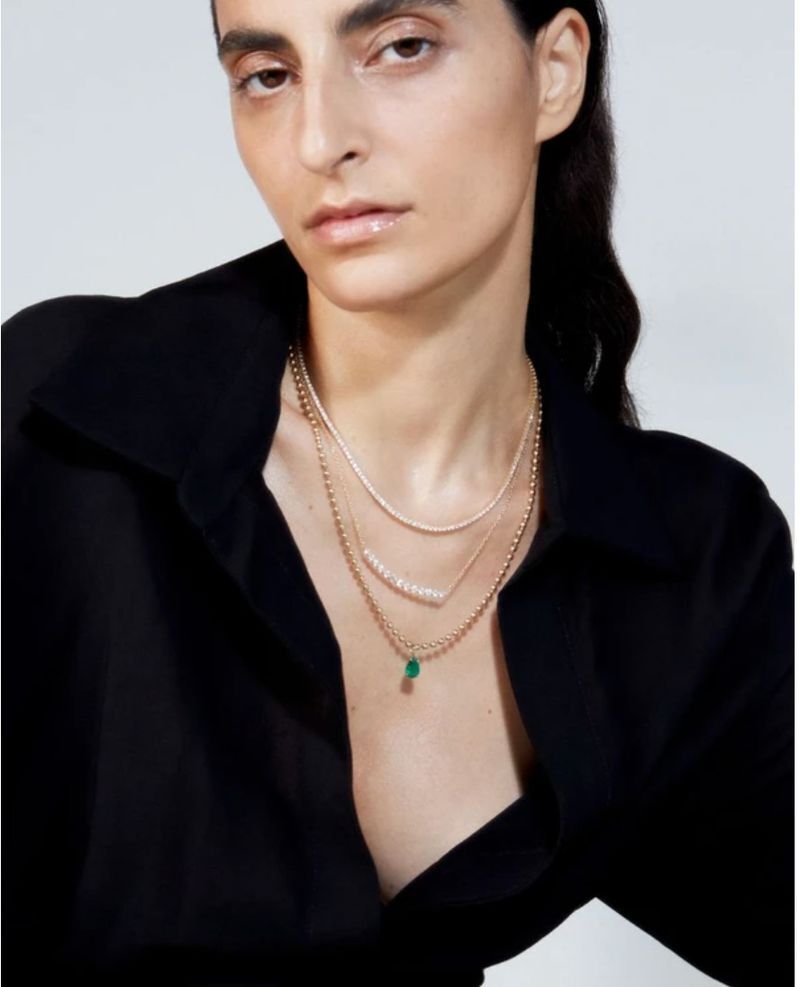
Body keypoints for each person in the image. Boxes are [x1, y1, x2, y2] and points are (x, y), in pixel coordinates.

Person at [2, 0, 793, 984]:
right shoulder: (58, 421)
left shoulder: (691, 555)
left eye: (401, 47)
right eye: (267, 75)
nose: (319, 140)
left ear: (553, 70)